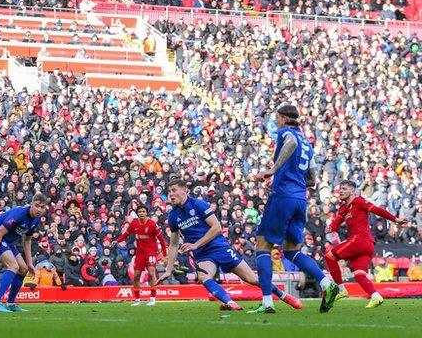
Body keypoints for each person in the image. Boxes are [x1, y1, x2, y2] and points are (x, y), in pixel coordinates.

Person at [160, 179, 302, 311]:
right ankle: (230, 302)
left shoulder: (198, 204)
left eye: (174, 190)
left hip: (218, 247)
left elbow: (216, 228)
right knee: (204, 278)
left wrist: (195, 244)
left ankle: (284, 296)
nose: (171, 194)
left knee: (252, 279)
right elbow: (173, 245)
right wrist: (168, 269)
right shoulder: (173, 216)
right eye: (169, 191)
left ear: (185, 190)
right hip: (202, 254)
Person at [254, 105, 337, 314]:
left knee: (263, 246)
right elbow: (312, 179)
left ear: (282, 118)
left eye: (277, 119)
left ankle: (267, 302)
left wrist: (274, 171)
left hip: (283, 196)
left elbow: (289, 142)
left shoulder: (287, 133)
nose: (277, 123)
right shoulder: (307, 143)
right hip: (300, 199)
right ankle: (326, 283)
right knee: (291, 250)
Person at [324, 180, 407, 308]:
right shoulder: (343, 208)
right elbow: (336, 223)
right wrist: (330, 227)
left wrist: (395, 219)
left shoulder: (358, 201)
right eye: (340, 189)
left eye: (344, 189)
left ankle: (341, 289)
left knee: (329, 256)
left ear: (352, 191)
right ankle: (376, 296)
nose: (340, 191)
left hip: (360, 239)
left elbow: (377, 210)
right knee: (359, 275)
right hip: (367, 245)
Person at [0, 193, 49, 313]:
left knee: (23, 269)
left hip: (6, 240)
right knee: (13, 266)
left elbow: (27, 241)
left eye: (42, 207)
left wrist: (30, 264)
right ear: (32, 204)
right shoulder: (19, 213)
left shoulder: (36, 220)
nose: (39, 209)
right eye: (37, 206)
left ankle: (11, 303)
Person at [112, 205, 167, 306]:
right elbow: (126, 235)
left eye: (143, 211)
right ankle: (137, 299)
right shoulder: (134, 223)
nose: (141, 213)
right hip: (140, 253)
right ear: (137, 213)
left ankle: (152, 298)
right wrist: (118, 240)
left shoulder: (152, 224)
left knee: (151, 273)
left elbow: (162, 241)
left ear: (146, 213)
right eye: (140, 211)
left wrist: (164, 255)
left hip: (151, 252)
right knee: (136, 276)